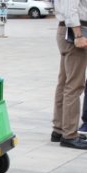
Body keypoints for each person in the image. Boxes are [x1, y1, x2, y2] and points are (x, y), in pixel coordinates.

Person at [51, 0, 87, 149]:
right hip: (74, 31)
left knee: (64, 82)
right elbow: (70, 9)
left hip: (68, 30)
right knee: (74, 85)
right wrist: (78, 35)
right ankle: (69, 135)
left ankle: (59, 130)